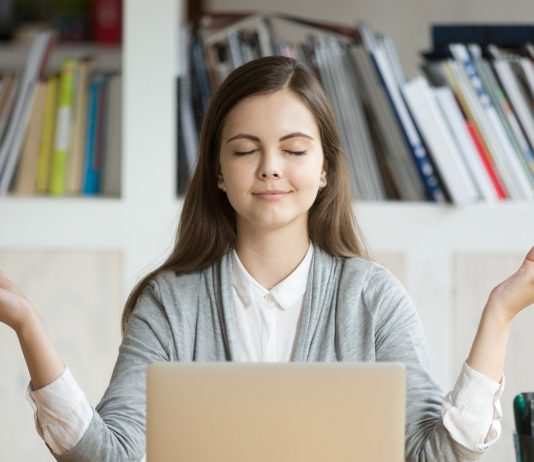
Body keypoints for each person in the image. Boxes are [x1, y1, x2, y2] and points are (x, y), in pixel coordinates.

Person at [0, 56, 533, 461]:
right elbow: (110, 456)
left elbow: (434, 456)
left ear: (324, 169)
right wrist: (26, 324)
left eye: (295, 150)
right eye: (245, 149)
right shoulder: (171, 304)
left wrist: (501, 311)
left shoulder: (372, 298)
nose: (270, 168)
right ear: (216, 171)